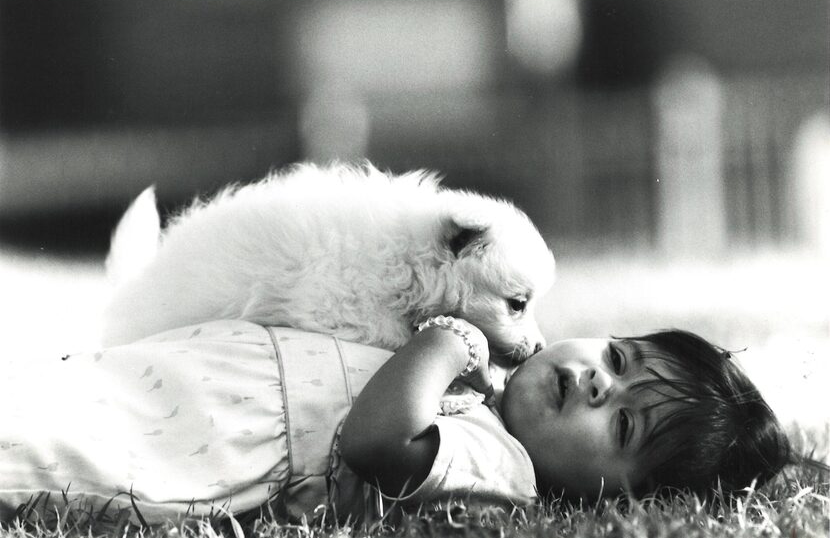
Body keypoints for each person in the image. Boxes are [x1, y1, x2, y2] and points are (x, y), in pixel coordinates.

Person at [0, 317, 790, 527]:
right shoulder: (493, 395)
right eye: (617, 358)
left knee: (48, 441)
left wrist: (448, 342)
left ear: (612, 496)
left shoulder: (504, 467)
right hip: (200, 376)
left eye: (619, 425)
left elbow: (377, 441)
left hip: (207, 443)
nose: (592, 382)